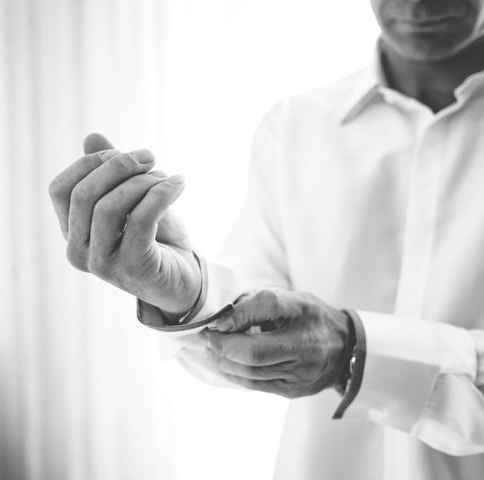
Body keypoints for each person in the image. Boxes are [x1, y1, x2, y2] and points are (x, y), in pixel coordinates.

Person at [48, 1, 484, 478]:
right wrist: (183, 292)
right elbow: (254, 326)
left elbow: (330, 346)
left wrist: (354, 353)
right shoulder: (296, 126)